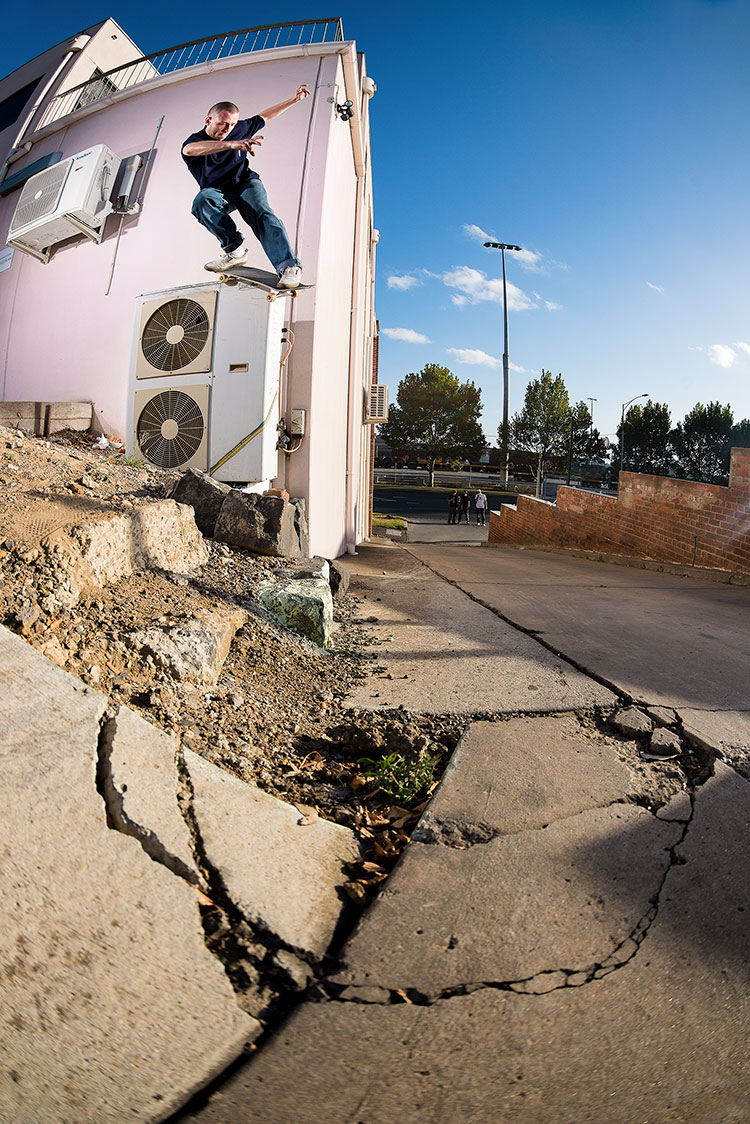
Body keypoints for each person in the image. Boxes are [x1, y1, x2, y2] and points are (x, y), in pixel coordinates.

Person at [181, 85, 310, 287]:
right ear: (208, 120)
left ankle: (289, 266)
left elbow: (264, 116)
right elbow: (189, 150)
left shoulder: (239, 128)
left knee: (262, 214)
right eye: (223, 124)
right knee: (201, 202)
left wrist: (293, 100)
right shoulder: (195, 140)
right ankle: (235, 251)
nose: (228, 130)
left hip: (245, 184)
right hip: (218, 193)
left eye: (231, 125)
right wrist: (232, 144)